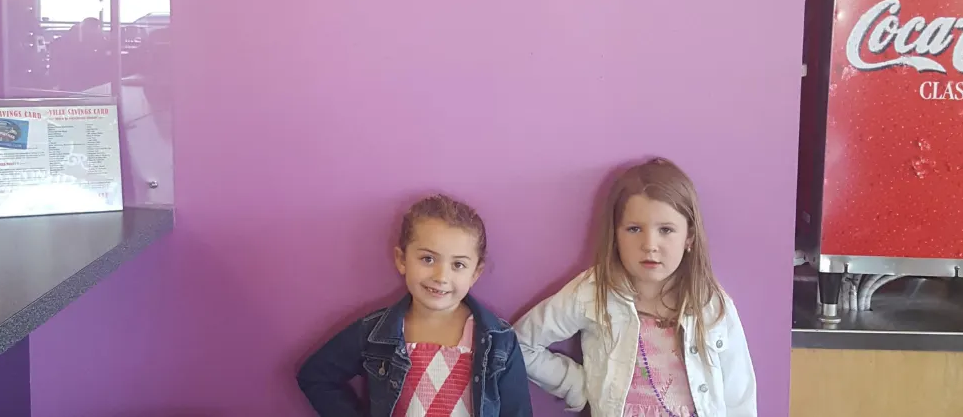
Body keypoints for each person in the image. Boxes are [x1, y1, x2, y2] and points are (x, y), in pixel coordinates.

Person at [513, 158, 757, 417]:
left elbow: (739, 395)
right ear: (616, 235)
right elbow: (520, 343)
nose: (649, 244)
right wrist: (579, 386)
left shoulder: (710, 302)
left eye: (666, 230)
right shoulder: (594, 291)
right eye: (634, 229)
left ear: (689, 237)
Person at [298, 194, 534, 416]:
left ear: (475, 273)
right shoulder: (374, 333)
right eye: (428, 259)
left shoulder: (499, 340)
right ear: (402, 259)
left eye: (458, 265)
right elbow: (316, 376)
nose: (441, 277)